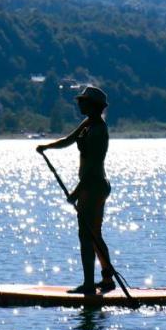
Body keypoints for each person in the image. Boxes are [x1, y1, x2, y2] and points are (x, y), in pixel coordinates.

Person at [36, 85, 115, 295]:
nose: (79, 104)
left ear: (94, 106)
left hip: (93, 186)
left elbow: (91, 170)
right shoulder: (88, 123)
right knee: (95, 234)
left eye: (83, 101)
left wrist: (76, 192)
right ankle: (107, 280)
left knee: (86, 235)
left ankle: (89, 284)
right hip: (93, 186)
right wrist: (46, 148)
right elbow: (68, 141)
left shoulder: (98, 130)